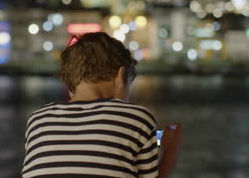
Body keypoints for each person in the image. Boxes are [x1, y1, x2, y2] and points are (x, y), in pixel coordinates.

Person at [21, 32, 182, 178]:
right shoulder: (137, 118)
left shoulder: (37, 120)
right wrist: (170, 150)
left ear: (70, 86)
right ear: (121, 76)